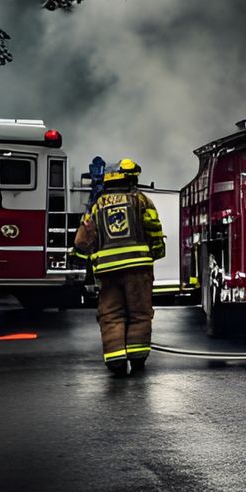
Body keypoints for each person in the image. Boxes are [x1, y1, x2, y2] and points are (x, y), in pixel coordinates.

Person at [72, 158, 164, 377]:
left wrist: (79, 260)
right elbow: (153, 229)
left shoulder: (96, 205)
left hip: (107, 270)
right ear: (130, 179)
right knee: (139, 313)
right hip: (137, 267)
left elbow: (83, 239)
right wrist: (157, 252)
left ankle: (116, 362)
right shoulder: (141, 201)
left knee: (111, 315)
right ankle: (137, 358)